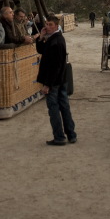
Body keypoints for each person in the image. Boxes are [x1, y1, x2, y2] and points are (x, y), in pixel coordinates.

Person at [36, 14, 76, 146]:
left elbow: (54, 67)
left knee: (54, 109)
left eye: (50, 25)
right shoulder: (53, 38)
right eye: (46, 24)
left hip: (54, 82)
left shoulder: (56, 42)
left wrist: (47, 85)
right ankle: (71, 135)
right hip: (60, 80)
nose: (47, 27)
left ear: (57, 26)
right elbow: (41, 50)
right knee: (64, 107)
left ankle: (59, 137)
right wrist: (41, 38)